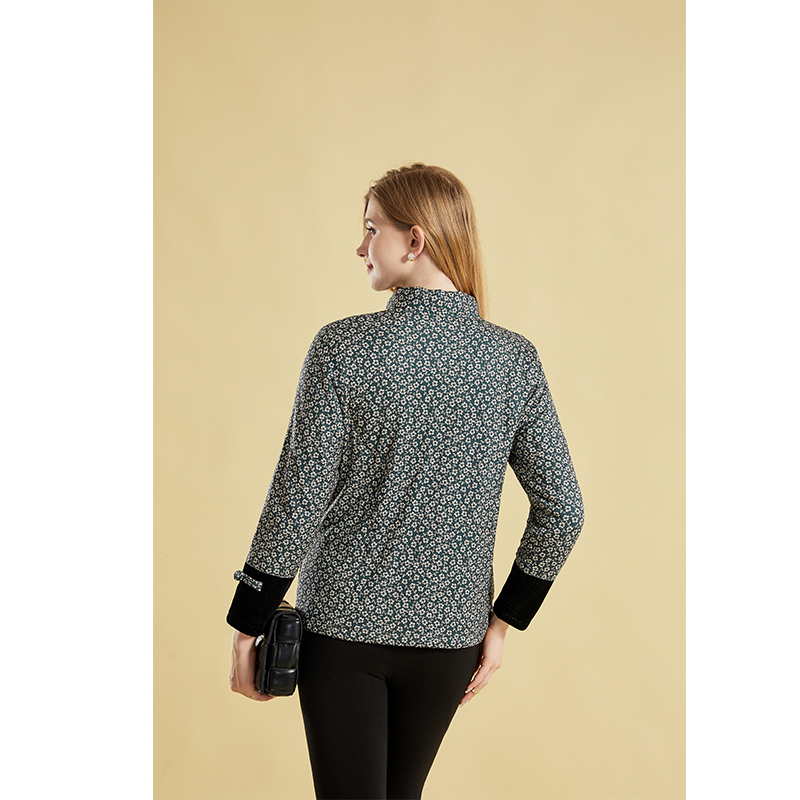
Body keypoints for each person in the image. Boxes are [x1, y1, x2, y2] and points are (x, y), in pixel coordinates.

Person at [227, 163, 584, 799]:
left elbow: (297, 497)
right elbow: (564, 510)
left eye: (372, 229)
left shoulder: (344, 348)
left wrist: (247, 622)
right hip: (452, 636)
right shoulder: (513, 360)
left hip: (342, 630)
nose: (360, 246)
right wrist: (503, 623)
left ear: (414, 240)